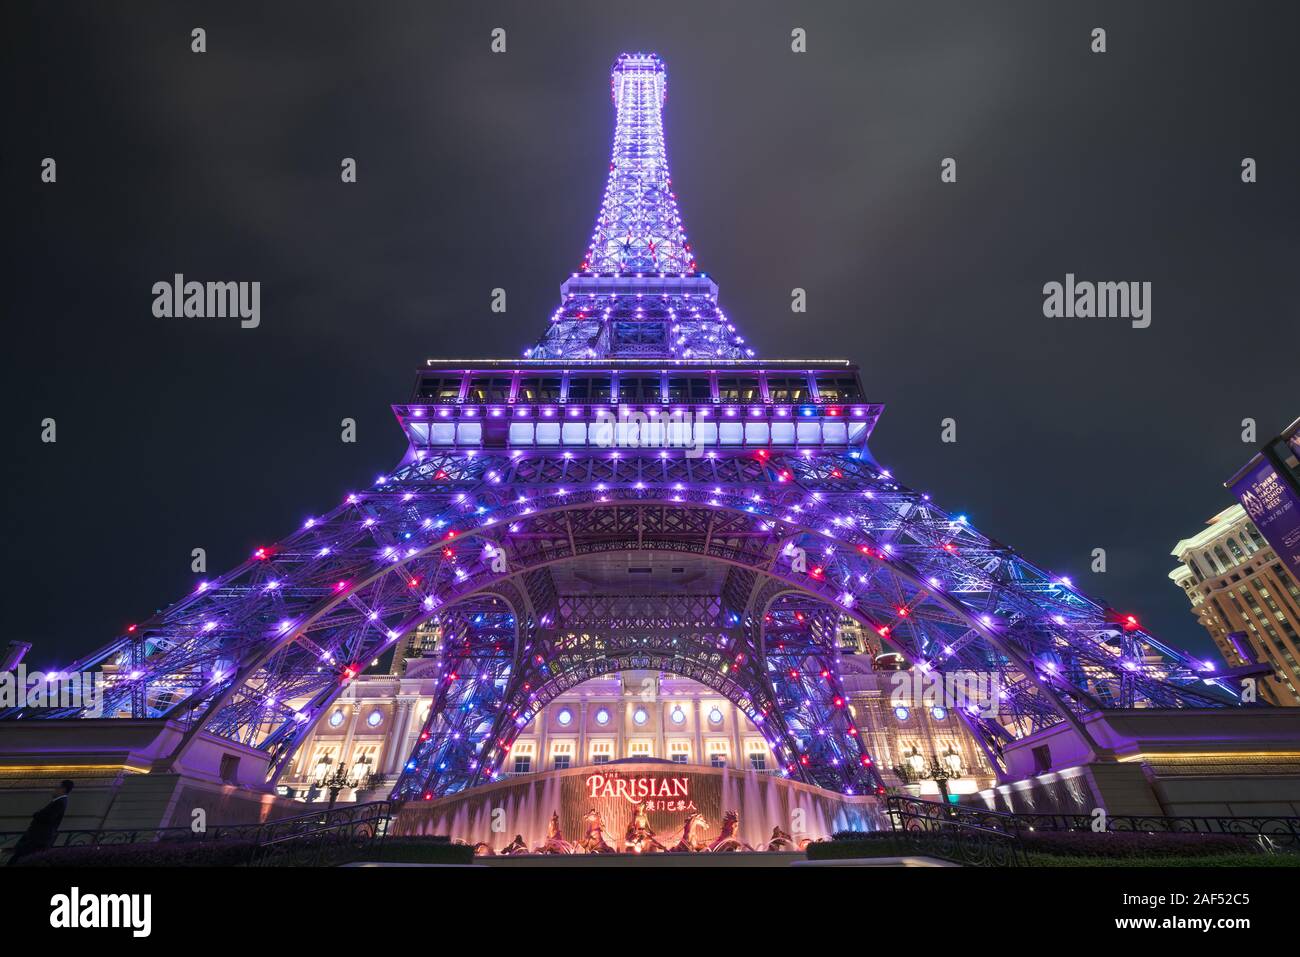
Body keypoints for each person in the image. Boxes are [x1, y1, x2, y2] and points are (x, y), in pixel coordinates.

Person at [7, 780, 74, 865]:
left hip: (38, 839)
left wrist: (37, 814)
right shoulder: (59, 802)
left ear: (63, 789)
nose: (54, 790)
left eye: (57, 787)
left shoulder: (60, 802)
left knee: (18, 859)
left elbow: (48, 817)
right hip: (37, 839)